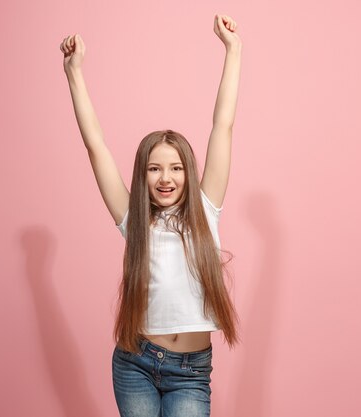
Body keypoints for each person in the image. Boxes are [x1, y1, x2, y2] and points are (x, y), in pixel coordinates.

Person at [60, 13, 241, 417]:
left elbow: (222, 126)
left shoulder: (206, 209)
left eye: (176, 168)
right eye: (154, 168)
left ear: (189, 173)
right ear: (142, 174)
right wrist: (74, 74)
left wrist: (233, 51)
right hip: (134, 362)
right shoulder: (134, 220)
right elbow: (96, 147)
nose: (165, 178)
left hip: (190, 372)